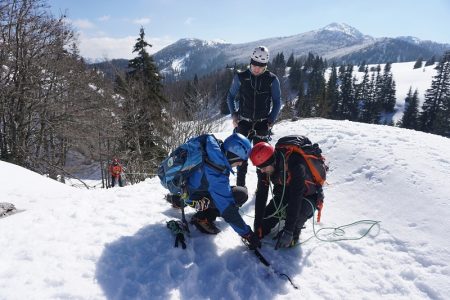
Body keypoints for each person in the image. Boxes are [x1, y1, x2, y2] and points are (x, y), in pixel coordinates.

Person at [177, 132, 261, 250]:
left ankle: (180, 199)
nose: (241, 163)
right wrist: (247, 234)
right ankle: (202, 217)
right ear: (233, 155)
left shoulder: (213, 152)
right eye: (240, 160)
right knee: (239, 195)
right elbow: (228, 210)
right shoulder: (215, 173)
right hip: (194, 198)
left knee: (236, 193)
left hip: (189, 190)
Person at [249, 141, 324, 249]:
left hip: (308, 196)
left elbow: (296, 198)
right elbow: (261, 194)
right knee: (264, 224)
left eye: (264, 168)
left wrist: (289, 231)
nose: (262, 171)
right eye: (259, 168)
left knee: (294, 225)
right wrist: (258, 224)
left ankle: (295, 233)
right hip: (285, 193)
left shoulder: (295, 164)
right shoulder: (264, 167)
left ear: (272, 161)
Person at [227, 46, 282, 187]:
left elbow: (277, 101)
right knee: (240, 159)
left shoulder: (272, 79)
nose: (257, 69)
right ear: (250, 62)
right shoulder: (241, 77)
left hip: (262, 123)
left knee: (263, 160)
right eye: (254, 65)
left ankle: (262, 189)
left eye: (261, 66)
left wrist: (271, 120)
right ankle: (240, 188)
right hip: (243, 122)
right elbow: (230, 96)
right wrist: (234, 115)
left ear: (265, 66)